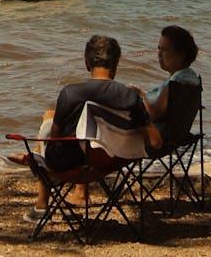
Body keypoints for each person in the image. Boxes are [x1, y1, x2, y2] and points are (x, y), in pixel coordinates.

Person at [15, 35, 160, 221]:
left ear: (86, 64)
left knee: (48, 125)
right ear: (116, 63)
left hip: (72, 165)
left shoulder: (70, 93)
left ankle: (42, 181)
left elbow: (55, 140)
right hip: (113, 161)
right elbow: (155, 142)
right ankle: (41, 169)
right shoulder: (130, 97)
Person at [143, 25, 200, 149]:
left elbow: (154, 114)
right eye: (159, 49)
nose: (159, 54)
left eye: (164, 49)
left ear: (181, 54)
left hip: (158, 140)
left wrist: (139, 95)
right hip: (178, 136)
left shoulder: (175, 84)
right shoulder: (192, 79)